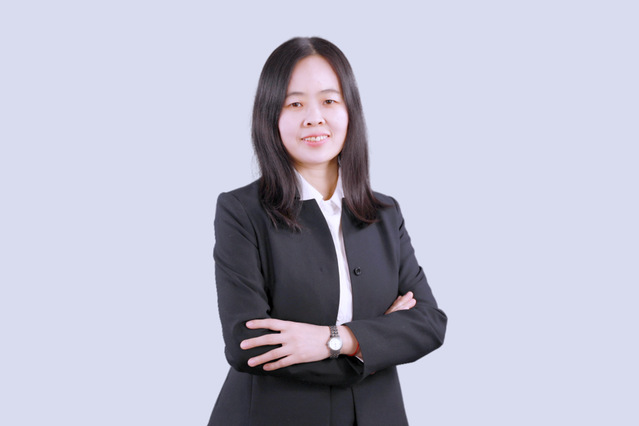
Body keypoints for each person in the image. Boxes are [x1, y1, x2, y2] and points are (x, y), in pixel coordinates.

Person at [208, 37, 447, 426]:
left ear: (350, 111)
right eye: (295, 104)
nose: (314, 118)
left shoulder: (385, 213)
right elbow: (248, 346)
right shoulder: (242, 212)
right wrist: (377, 340)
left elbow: (429, 323)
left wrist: (333, 340)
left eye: (329, 101)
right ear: (270, 115)